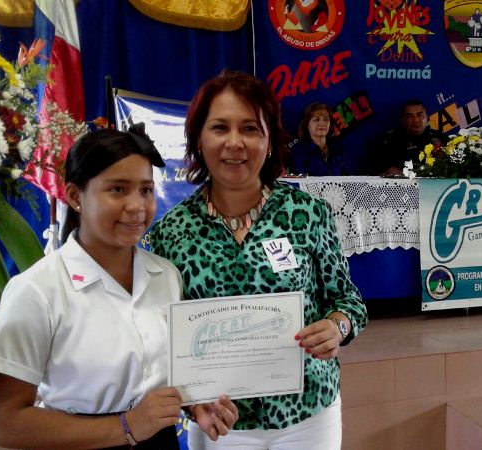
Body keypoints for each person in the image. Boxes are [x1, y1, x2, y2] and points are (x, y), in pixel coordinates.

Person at [0, 125, 238, 449]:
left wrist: (194, 403)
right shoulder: (36, 291)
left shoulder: (166, 276)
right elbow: (5, 423)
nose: (137, 206)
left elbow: (161, 372)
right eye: (117, 189)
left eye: (146, 190)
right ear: (75, 197)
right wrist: (127, 425)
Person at [151, 70, 368, 450]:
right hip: (221, 422)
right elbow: (160, 334)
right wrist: (191, 402)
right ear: (199, 139)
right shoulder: (172, 232)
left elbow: (348, 300)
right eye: (220, 128)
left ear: (269, 142)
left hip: (309, 413)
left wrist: (337, 327)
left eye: (250, 128)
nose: (235, 142)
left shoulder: (308, 212)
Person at [368, 98, 447, 176]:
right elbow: (376, 169)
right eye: (410, 116)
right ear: (403, 121)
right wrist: (389, 170)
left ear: (427, 117)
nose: (416, 120)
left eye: (419, 115)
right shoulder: (389, 142)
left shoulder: (440, 137)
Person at [290, 102, 349, 176]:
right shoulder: (299, 151)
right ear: (307, 124)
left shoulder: (337, 148)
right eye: (316, 120)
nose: (322, 123)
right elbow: (300, 178)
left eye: (326, 119)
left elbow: (345, 176)